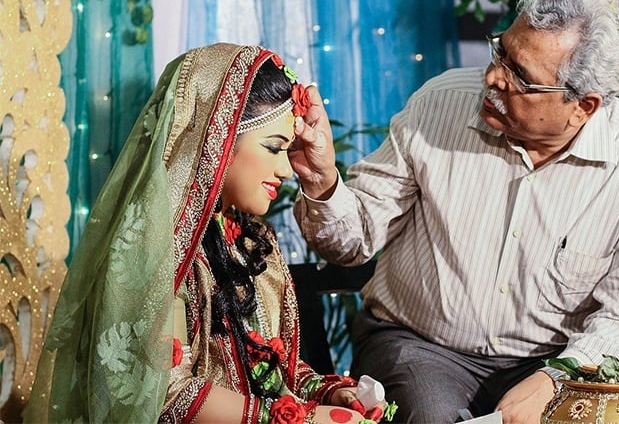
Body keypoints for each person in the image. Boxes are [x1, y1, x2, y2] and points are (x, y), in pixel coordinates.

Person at [289, 0, 619, 423]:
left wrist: (558, 379)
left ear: (584, 106)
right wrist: (322, 181)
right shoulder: (440, 104)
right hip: (418, 345)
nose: (493, 77)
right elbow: (351, 242)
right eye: (502, 50)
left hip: (557, 364)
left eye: (521, 76)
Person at [25, 44, 386, 423]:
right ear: (218, 138)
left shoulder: (253, 242)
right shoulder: (157, 247)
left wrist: (332, 393)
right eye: (274, 148)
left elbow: (280, 373)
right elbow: (166, 393)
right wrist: (301, 420)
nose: (285, 169)